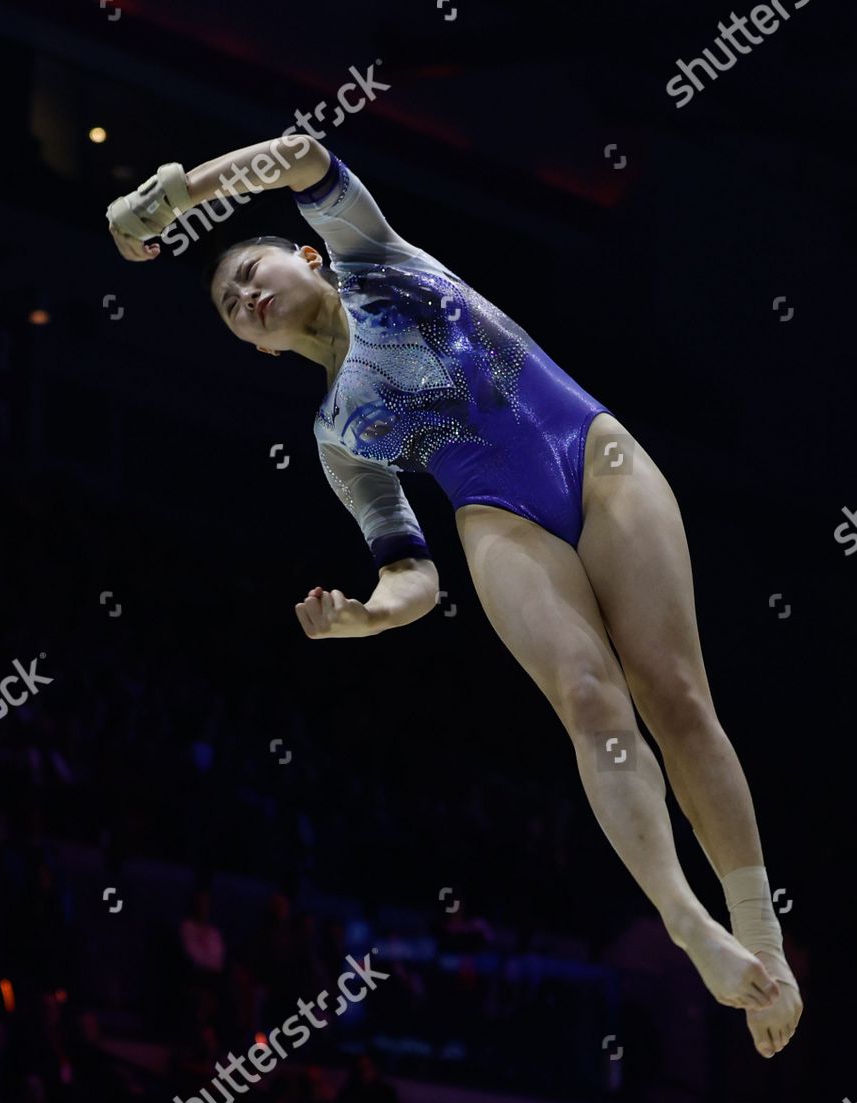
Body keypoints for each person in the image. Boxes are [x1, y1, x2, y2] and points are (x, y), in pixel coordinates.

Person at [107, 136, 802, 1055]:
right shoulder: (336, 436)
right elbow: (413, 573)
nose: (246, 295)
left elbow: (302, 155)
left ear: (305, 255)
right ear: (259, 346)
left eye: (249, 270)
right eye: (234, 308)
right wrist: (366, 617)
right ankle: (685, 921)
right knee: (592, 703)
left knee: (673, 695)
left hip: (594, 456)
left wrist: (178, 196)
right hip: (495, 513)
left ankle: (761, 936)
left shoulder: (368, 253)